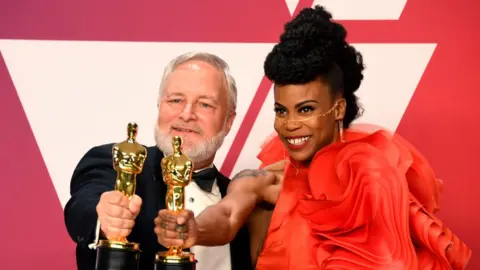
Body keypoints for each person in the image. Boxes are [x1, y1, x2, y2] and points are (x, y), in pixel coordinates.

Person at [155, 6, 472, 270]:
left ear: (339, 108)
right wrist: (194, 229)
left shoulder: (377, 180)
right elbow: (225, 217)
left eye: (305, 109)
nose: (290, 124)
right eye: (281, 110)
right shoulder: (262, 182)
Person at [63, 52, 253, 270]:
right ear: (159, 106)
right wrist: (104, 218)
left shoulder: (241, 201)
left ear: (228, 121)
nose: (186, 114)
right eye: (176, 100)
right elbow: (83, 205)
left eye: (205, 105)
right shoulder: (118, 162)